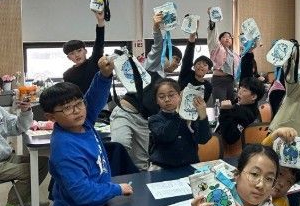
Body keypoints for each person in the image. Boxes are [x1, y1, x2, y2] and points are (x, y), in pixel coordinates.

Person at [40, 56, 133, 206]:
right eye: (66, 108)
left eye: (78, 103)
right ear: (51, 117)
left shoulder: (84, 123)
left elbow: (94, 99)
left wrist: (104, 75)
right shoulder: (65, 148)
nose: (77, 110)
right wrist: (116, 189)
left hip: (101, 205)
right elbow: (81, 193)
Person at [148, 78, 211, 206]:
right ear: (156, 100)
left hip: (187, 169)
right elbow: (166, 135)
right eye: (162, 96)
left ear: (179, 95)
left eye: (172, 95)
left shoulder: (190, 117)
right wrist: (179, 113)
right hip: (161, 170)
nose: (167, 99)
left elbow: (203, 139)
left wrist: (202, 115)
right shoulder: (155, 119)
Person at [110, 13, 182, 170]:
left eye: (179, 62)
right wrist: (156, 27)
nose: (177, 64)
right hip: (125, 113)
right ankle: (116, 182)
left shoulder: (167, 83)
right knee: (120, 147)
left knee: (142, 163)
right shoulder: (152, 67)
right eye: (176, 59)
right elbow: (157, 46)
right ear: (165, 55)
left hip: (143, 121)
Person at [0, 74, 48, 206]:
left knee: (43, 163)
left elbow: (18, 127)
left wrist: (25, 111)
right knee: (30, 171)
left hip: (2, 158)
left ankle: (23, 199)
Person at [260, 126, 300, 206]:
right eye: (280, 174)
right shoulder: (254, 192)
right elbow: (261, 154)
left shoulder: (282, 205)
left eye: (289, 182)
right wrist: (276, 134)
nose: (282, 183)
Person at [62, 10, 106, 94]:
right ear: (68, 57)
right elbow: (71, 96)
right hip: (83, 102)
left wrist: (100, 21)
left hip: (105, 101)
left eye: (79, 51)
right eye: (72, 53)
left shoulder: (95, 61)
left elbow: (99, 42)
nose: (76, 55)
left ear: (85, 51)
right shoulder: (67, 75)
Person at [218, 77, 266, 148]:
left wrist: (225, 111)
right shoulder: (247, 106)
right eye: (240, 88)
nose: (239, 92)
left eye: (244, 90)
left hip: (229, 150)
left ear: (253, 97)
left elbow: (230, 138)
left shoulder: (245, 114)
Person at [207, 15, 240, 102]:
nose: (227, 39)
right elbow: (212, 36)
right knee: (221, 105)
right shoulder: (217, 48)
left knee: (231, 105)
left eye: (229, 37)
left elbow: (237, 70)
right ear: (219, 40)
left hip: (231, 81)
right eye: (224, 37)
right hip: (219, 80)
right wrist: (212, 20)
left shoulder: (234, 54)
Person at [178, 27, 213, 103]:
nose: (201, 66)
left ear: (208, 70)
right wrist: (192, 34)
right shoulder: (186, 74)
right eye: (198, 63)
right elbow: (188, 57)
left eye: (205, 65)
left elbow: (203, 104)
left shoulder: (208, 86)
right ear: (193, 66)